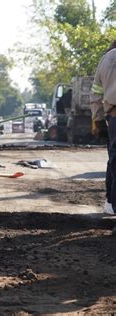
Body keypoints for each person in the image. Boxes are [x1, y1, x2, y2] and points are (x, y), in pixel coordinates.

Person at [90, 40, 116, 215]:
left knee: (114, 160)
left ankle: (111, 202)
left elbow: (96, 93)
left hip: (113, 117)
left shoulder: (106, 59)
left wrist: (98, 120)